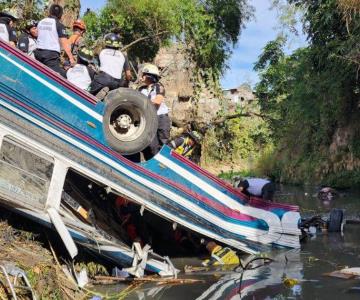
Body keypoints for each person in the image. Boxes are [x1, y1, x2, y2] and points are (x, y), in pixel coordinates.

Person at [138, 63, 171, 160]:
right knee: (150, 145)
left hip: (161, 119)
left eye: (143, 74)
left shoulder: (159, 86)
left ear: (149, 76)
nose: (142, 76)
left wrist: (141, 100)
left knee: (163, 144)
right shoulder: (141, 89)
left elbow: (158, 101)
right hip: (148, 119)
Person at [35, 4, 75, 77]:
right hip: (50, 56)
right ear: (60, 15)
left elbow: (37, 35)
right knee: (58, 77)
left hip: (38, 53)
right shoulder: (59, 25)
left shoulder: (41, 22)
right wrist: (71, 58)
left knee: (39, 73)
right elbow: (65, 44)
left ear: (50, 12)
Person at [89, 33, 132, 98]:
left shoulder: (101, 52)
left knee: (87, 93)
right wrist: (126, 84)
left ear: (106, 43)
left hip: (102, 79)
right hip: (116, 83)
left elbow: (98, 67)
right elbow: (128, 75)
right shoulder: (123, 55)